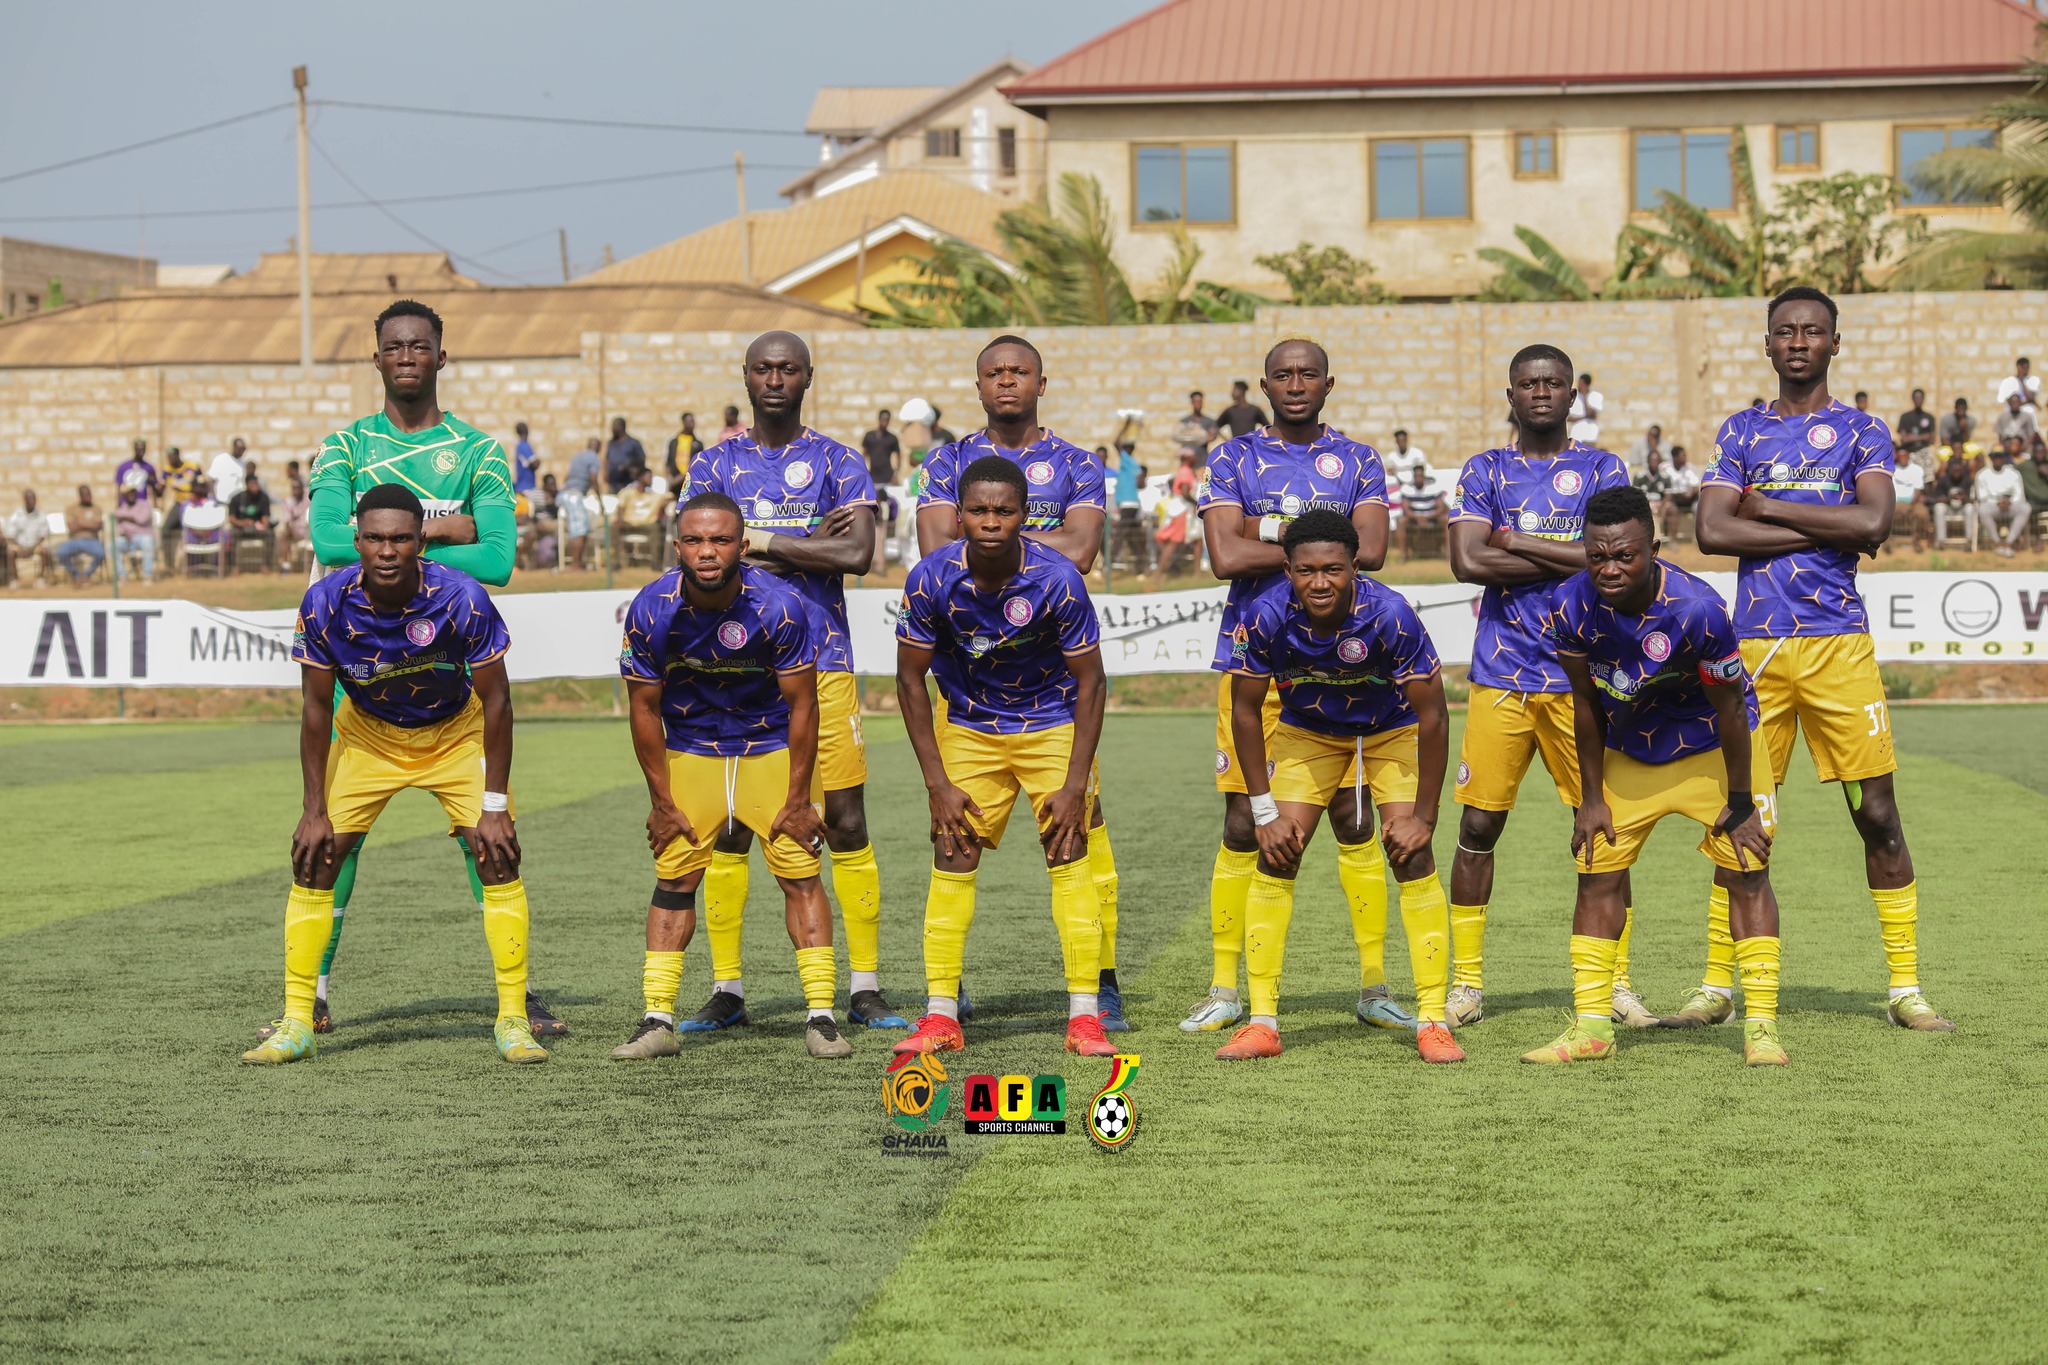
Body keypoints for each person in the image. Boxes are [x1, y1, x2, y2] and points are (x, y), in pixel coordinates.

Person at [294, 298, 562, 1039]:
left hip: (451, 683)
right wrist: (446, 526)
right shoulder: (343, 447)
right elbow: (329, 541)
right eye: (394, 346)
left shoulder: (479, 451)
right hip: (364, 679)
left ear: (441, 357)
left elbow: (498, 560)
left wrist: (399, 537)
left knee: (489, 834)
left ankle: (518, 996)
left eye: (419, 346)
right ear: (377, 358)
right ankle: (313, 995)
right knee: (334, 839)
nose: (407, 356)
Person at [1694, 285, 1950, 1032]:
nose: (1799, 341)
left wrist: (1768, 506)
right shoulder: (1741, 429)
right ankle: (1717, 986)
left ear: (1836, 343)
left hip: (1839, 644)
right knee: (1739, 816)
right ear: (1768, 345)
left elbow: (1874, 521)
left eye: (1812, 331)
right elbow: (1713, 530)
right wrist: (1828, 524)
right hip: (1754, 648)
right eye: (1785, 331)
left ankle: (1905, 988)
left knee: (1878, 815)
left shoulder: (1863, 431)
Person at [241, 482, 544, 1067]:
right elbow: (314, 710)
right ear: (356, 542)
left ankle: (512, 1019)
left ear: (419, 542)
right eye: (375, 538)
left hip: (454, 733)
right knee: (316, 857)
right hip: (367, 738)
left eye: (401, 538)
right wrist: (312, 809)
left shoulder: (461, 597)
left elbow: (499, 702)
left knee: (496, 854)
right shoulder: (324, 602)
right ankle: (298, 1023)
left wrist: (495, 805)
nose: (387, 550)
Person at [678, 331, 901, 1031]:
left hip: (823, 660)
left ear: (808, 377)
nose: (775, 379)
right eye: (763, 368)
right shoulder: (712, 463)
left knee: (845, 820)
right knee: (730, 828)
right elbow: (698, 557)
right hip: (733, 669)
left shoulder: (839, 460)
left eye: (788, 369)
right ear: (746, 376)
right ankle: (728, 989)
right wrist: (810, 546)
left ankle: (864, 986)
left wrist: (762, 543)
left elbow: (858, 553)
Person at [1187, 338, 1401, 1035]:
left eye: (1309, 373)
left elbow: (1371, 550)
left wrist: (1264, 525)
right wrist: (1316, 540)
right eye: (1283, 374)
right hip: (1254, 658)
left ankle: (1373, 985)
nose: (1297, 383)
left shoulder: (1360, 459)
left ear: (1329, 384)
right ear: (1265, 385)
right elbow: (1224, 554)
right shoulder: (1232, 457)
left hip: (1342, 664)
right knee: (1243, 821)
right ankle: (1226, 987)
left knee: (1354, 819)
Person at [1528, 486, 1784, 1066]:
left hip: (1713, 746)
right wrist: (1591, 798)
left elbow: (1730, 708)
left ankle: (1762, 1030)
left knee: (1748, 870)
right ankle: (1592, 1029)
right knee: (1595, 871)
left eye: (1625, 556)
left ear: (1653, 550)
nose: (1610, 569)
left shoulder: (1698, 608)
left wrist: (1740, 802)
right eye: (1597, 556)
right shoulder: (1568, 606)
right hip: (1630, 748)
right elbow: (1585, 706)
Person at [914, 335, 1125, 1027]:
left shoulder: (1078, 463)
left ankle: (1100, 983)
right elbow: (937, 553)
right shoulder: (943, 461)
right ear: (978, 384)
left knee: (1082, 830)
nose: (1007, 381)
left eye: (1019, 371)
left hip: (1054, 695)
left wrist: (996, 544)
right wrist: (1022, 542)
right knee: (953, 839)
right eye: (994, 372)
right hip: (968, 697)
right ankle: (947, 995)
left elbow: (1083, 552)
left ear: (1041, 381)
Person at [890, 456, 1115, 1059]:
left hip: (1052, 722)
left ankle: (1085, 1017)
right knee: (951, 852)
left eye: (1004, 511)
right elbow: (909, 681)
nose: (991, 521)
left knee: (1068, 851)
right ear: (960, 516)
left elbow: (1092, 683)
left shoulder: (1057, 578)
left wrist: (1075, 783)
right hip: (970, 727)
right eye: (979, 510)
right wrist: (937, 783)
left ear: (1024, 516)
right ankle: (941, 1016)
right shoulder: (931, 578)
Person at [1445, 345, 1642, 1029]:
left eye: (1553, 382)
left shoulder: (1603, 469)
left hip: (1581, 677)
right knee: (1478, 825)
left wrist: (1515, 542)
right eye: (1528, 383)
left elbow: (1614, 561)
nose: (1540, 392)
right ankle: (1466, 983)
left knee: (1603, 827)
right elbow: (1467, 561)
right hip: (1500, 676)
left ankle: (1615, 983)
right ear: (1511, 393)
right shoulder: (1484, 469)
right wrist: (1570, 558)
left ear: (1572, 394)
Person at [609, 492, 845, 1061]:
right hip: (692, 749)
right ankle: (657, 1020)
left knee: (801, 876)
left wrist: (798, 798)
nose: (707, 551)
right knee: (674, 880)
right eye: (694, 540)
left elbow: (804, 705)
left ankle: (821, 1018)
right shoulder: (651, 608)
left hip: (771, 748)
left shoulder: (781, 605)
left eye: (719, 540)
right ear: (677, 546)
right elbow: (643, 708)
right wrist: (661, 801)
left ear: (742, 545)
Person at [1221, 510, 1460, 1063]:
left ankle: (1432, 1021)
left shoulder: (1391, 614)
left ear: (1355, 567)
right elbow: (1245, 711)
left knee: (1411, 854)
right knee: (1277, 853)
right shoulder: (1265, 614)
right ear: (1288, 570)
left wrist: (1424, 817)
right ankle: (1262, 1023)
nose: (1320, 582)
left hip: (1391, 731)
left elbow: (1434, 718)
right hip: (1308, 734)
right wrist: (1264, 813)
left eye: (1333, 569)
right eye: (1306, 571)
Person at [1978, 444, 2028, 556]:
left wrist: (2010, 502)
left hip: (2011, 505)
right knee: (1982, 509)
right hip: (1993, 506)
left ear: (2005, 458)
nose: (1998, 459)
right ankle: (1997, 543)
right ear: (1991, 458)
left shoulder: (2013, 473)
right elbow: (1982, 496)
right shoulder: (1982, 474)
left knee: (2025, 508)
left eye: (2000, 456)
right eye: (1995, 456)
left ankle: (2008, 542)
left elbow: (2019, 494)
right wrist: (1997, 502)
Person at [613, 465, 667, 565]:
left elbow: (668, 497)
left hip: (646, 524)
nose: (651, 480)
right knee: (614, 528)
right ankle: (615, 562)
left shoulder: (653, 495)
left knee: (657, 529)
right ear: (640, 478)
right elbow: (620, 507)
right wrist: (619, 520)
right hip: (629, 522)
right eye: (649, 477)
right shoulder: (627, 492)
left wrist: (664, 505)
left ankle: (656, 562)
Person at [1111, 435, 1149, 572]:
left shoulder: (1126, 459)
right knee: (1132, 536)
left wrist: (1126, 425)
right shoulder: (1135, 464)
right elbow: (1141, 484)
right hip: (1132, 503)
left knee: (1119, 535)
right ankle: (1142, 565)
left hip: (1127, 503)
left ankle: (1108, 564)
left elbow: (1116, 442)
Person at [1928, 449, 1978, 548]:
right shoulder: (1943, 480)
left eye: (1958, 470)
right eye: (1954, 470)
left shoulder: (1968, 480)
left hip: (1962, 509)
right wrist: (1948, 498)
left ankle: (1969, 541)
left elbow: (1973, 500)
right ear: (1949, 469)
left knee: (1970, 508)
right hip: (1948, 509)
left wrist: (1963, 498)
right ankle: (1941, 541)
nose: (1956, 472)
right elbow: (1934, 498)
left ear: (1962, 469)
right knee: (1939, 507)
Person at [56, 484, 105, 582]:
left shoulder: (96, 509)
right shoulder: (72, 509)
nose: (88, 497)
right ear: (80, 496)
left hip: (92, 540)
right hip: (75, 540)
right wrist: (90, 523)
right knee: (61, 552)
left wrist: (80, 523)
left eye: (89, 494)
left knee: (101, 553)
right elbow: (72, 527)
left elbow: (98, 526)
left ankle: (86, 575)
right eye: (85, 495)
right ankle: (77, 575)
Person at [227, 471, 274, 573]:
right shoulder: (236, 498)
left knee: (270, 534)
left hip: (257, 528)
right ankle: (233, 566)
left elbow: (265, 517)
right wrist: (243, 523)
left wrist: (263, 525)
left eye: (256, 484)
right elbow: (232, 518)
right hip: (241, 528)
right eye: (252, 484)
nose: (255, 486)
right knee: (232, 534)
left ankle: (266, 565)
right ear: (247, 485)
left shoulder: (263, 497)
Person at [1888, 444, 1931, 552]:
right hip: (1895, 501)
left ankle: (1916, 540)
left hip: (1912, 501)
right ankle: (1887, 543)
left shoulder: (1917, 470)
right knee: (1886, 513)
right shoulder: (1891, 469)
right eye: (1900, 455)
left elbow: (1918, 490)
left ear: (1908, 456)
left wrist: (1910, 504)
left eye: (1904, 455)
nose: (1902, 458)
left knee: (1923, 513)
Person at [1397, 464, 1447, 558]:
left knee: (1446, 520)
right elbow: (1406, 509)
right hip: (1413, 517)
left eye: (1420, 476)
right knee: (1401, 521)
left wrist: (1428, 517)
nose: (1418, 479)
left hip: (1432, 516)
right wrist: (1417, 518)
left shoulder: (1433, 486)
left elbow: (1441, 507)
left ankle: (1448, 554)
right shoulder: (1407, 488)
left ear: (1424, 476)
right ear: (1413, 476)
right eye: (1416, 476)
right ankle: (1403, 554)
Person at [6, 488, 53, 583]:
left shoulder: (41, 515)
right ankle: (14, 579)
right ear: (25, 500)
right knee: (10, 552)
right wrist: (21, 547)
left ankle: (40, 578)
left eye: (33, 499)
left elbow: (42, 536)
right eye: (29, 499)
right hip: (20, 546)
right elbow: (11, 536)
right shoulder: (16, 515)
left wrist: (31, 548)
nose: (31, 501)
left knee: (45, 550)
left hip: (35, 546)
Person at [180, 477, 227, 568]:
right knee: (186, 538)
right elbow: (184, 524)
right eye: (198, 487)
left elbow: (216, 519)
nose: (201, 489)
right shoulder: (187, 504)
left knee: (225, 534)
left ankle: (217, 566)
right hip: (193, 535)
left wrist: (207, 531)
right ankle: (193, 568)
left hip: (211, 534)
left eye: (203, 487)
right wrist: (198, 532)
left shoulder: (212, 502)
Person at [160, 448, 198, 563]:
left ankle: (194, 562)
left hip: (193, 504)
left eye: (172, 457)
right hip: (179, 504)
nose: (170, 460)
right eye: (168, 457)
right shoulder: (167, 470)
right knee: (165, 530)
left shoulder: (192, 467)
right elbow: (160, 491)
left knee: (195, 531)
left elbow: (202, 484)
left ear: (177, 456)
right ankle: (169, 564)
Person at [113, 484, 156, 581]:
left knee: (147, 542)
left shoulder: (145, 504)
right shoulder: (123, 508)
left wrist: (125, 517)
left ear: (135, 493)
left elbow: (142, 519)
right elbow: (118, 524)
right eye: (127, 493)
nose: (130, 495)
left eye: (132, 492)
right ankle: (122, 575)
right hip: (127, 539)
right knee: (113, 545)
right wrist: (125, 532)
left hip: (143, 537)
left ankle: (147, 575)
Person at [1664, 445, 1701, 539]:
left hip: (1690, 498)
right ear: (1675, 457)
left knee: (1698, 507)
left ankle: (1697, 537)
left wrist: (1690, 493)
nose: (1685, 458)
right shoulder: (1665, 468)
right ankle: (1673, 539)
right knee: (1671, 508)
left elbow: (1695, 487)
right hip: (1674, 499)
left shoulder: (1690, 468)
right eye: (1682, 455)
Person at [276, 469, 310, 572]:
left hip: (309, 530)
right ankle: (286, 565)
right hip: (296, 531)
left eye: (298, 488)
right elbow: (287, 520)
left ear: (302, 488)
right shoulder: (288, 501)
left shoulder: (308, 498)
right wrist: (289, 529)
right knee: (284, 535)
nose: (296, 490)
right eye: (294, 488)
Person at [1896, 389, 1937, 471]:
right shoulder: (1905, 417)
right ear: (1912, 399)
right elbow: (1904, 439)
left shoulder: (1929, 417)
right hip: (1910, 453)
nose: (1918, 400)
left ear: (1923, 399)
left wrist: (1911, 437)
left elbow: (1932, 439)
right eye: (1916, 398)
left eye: (1920, 398)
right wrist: (1924, 437)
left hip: (1924, 452)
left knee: (1928, 475)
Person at [604, 417, 647, 494]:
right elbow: (607, 459)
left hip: (628, 482)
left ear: (622, 426)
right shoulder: (611, 443)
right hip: (613, 483)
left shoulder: (633, 443)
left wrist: (628, 466)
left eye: (615, 426)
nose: (613, 429)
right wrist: (605, 472)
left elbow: (642, 458)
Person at [1173, 390, 1219, 462]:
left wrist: (1193, 435)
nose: (1198, 404)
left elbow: (1212, 437)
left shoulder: (1209, 421)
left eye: (1199, 402)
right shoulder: (1185, 421)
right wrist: (1200, 436)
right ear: (1192, 402)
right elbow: (1177, 436)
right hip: (1187, 460)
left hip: (1202, 459)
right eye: (1195, 402)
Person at [209, 437, 253, 505]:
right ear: (234, 447)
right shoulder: (221, 459)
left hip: (236, 504)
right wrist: (213, 499)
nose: (242, 451)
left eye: (243, 449)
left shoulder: (243, 464)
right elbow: (211, 480)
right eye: (240, 449)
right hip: (221, 502)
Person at [116, 438, 160, 504]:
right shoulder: (124, 467)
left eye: (142, 449)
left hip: (142, 504)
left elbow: (154, 489)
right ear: (135, 449)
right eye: (139, 449)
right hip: (126, 504)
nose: (141, 451)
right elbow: (119, 489)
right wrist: (118, 506)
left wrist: (155, 505)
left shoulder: (149, 468)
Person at [664, 411, 702, 487]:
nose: (692, 424)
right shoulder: (674, 442)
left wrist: (681, 477)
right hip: (674, 482)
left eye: (693, 421)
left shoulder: (697, 444)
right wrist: (669, 479)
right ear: (684, 422)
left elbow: (697, 464)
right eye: (689, 421)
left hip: (689, 481)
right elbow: (668, 462)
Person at [2020, 440, 2048, 542]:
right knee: (2027, 509)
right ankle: (2035, 539)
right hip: (2034, 501)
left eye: (2042, 452)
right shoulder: (2025, 466)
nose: (2039, 454)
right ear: (2033, 452)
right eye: (2037, 451)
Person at [1568, 372, 1603, 444]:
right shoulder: (1574, 397)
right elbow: (1568, 418)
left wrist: (1584, 397)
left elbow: (1591, 414)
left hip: (1590, 435)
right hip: (1576, 434)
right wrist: (1583, 417)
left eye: (1581, 383)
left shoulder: (1595, 396)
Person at [512, 422, 539, 494]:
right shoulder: (524, 446)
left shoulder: (520, 445)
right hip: (526, 488)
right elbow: (535, 463)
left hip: (523, 486)